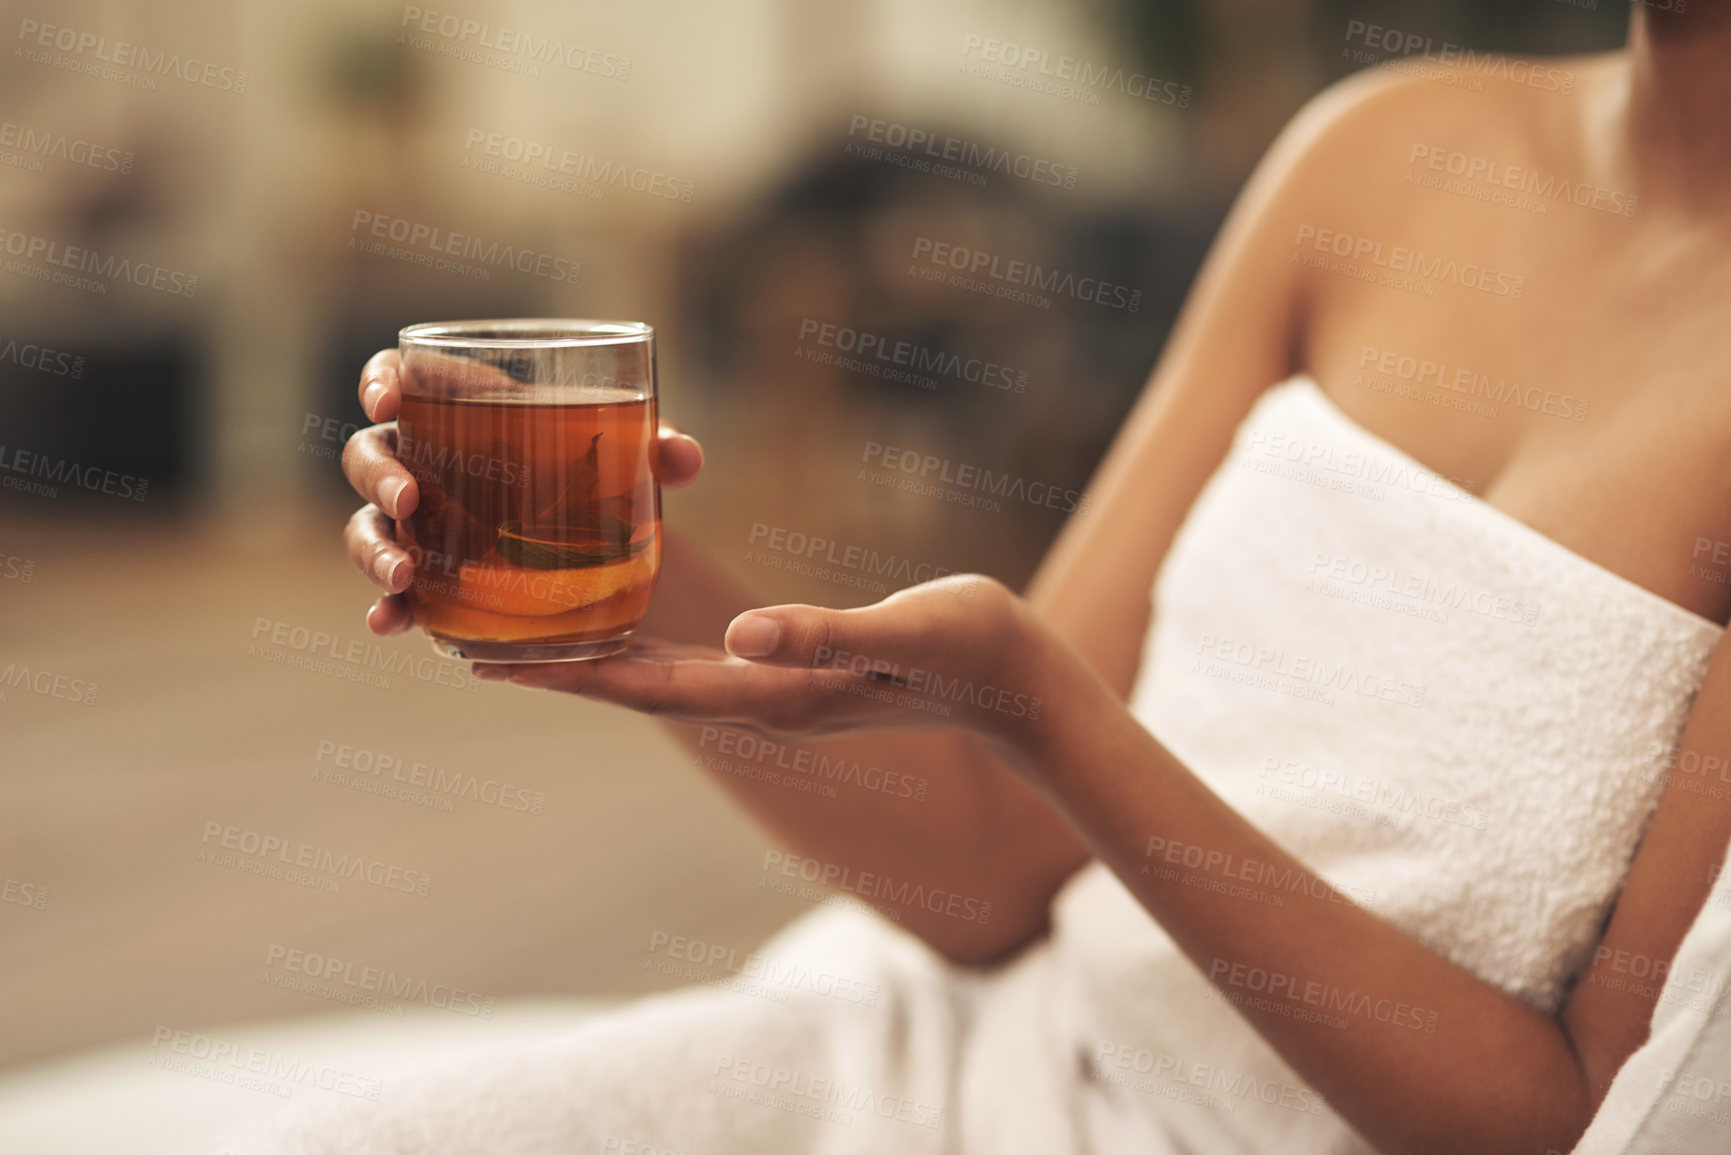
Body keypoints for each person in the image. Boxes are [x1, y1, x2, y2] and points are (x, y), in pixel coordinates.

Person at [239, 6, 1731, 1152]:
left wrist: (1053, 715)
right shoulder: (1382, 151)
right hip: (961, 1053)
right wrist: (607, 565)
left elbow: (1581, 1120)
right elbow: (992, 865)